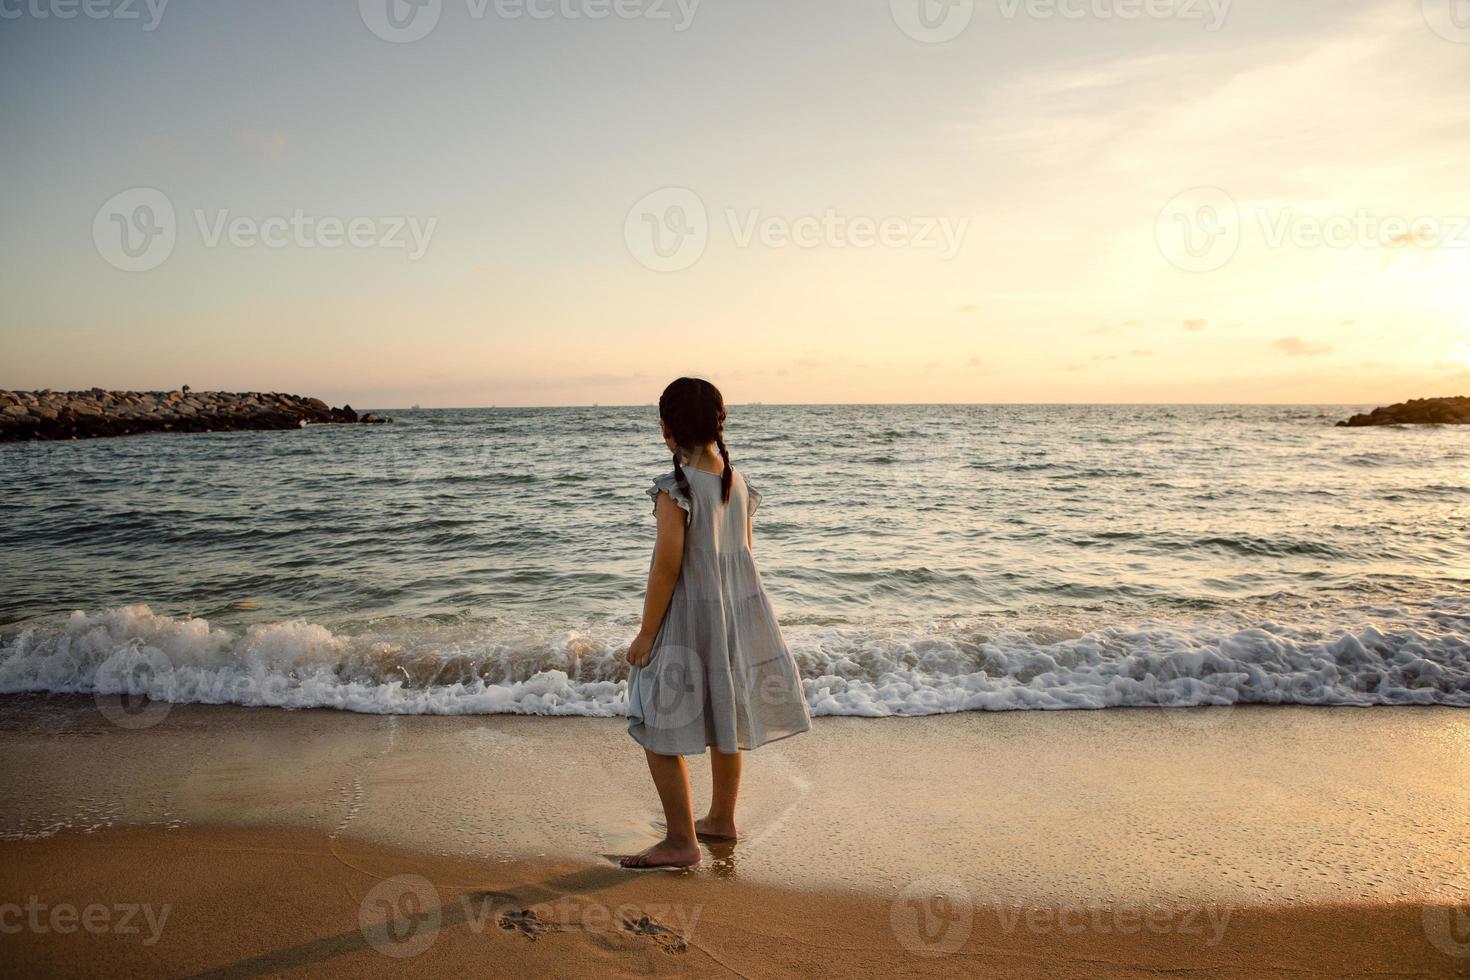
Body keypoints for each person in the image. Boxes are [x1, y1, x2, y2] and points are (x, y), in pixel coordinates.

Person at [621, 377, 810, 869]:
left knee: (656, 723)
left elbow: (667, 567)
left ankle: (681, 841)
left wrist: (646, 635)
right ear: (718, 423)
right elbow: (743, 552)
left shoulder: (674, 491)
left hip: (687, 618)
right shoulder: (737, 481)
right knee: (726, 720)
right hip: (734, 617)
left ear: (666, 428)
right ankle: (721, 819)